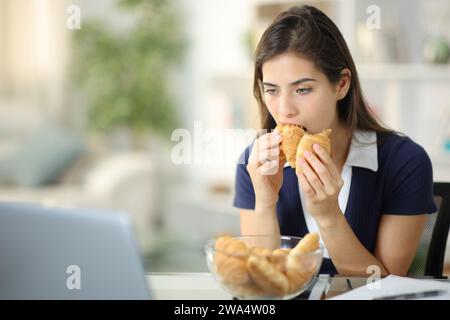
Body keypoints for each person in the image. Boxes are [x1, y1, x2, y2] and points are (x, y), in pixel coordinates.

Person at [233, 5, 437, 276]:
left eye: (303, 89)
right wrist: (265, 204)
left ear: (341, 84)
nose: (284, 110)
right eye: (272, 90)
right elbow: (263, 281)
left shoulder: (404, 162)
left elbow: (384, 287)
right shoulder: (255, 162)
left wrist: (328, 215)